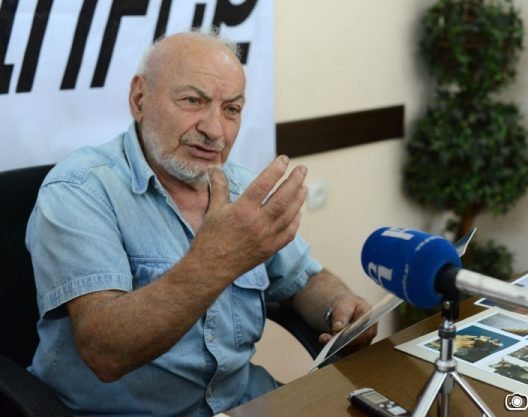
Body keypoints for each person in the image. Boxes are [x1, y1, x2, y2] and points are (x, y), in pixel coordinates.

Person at [26, 30, 376, 417]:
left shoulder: (243, 188)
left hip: (243, 402)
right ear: (140, 99)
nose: (215, 130)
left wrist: (338, 306)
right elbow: (105, 352)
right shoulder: (80, 189)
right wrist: (218, 259)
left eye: (232, 109)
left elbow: (303, 279)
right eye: (193, 101)